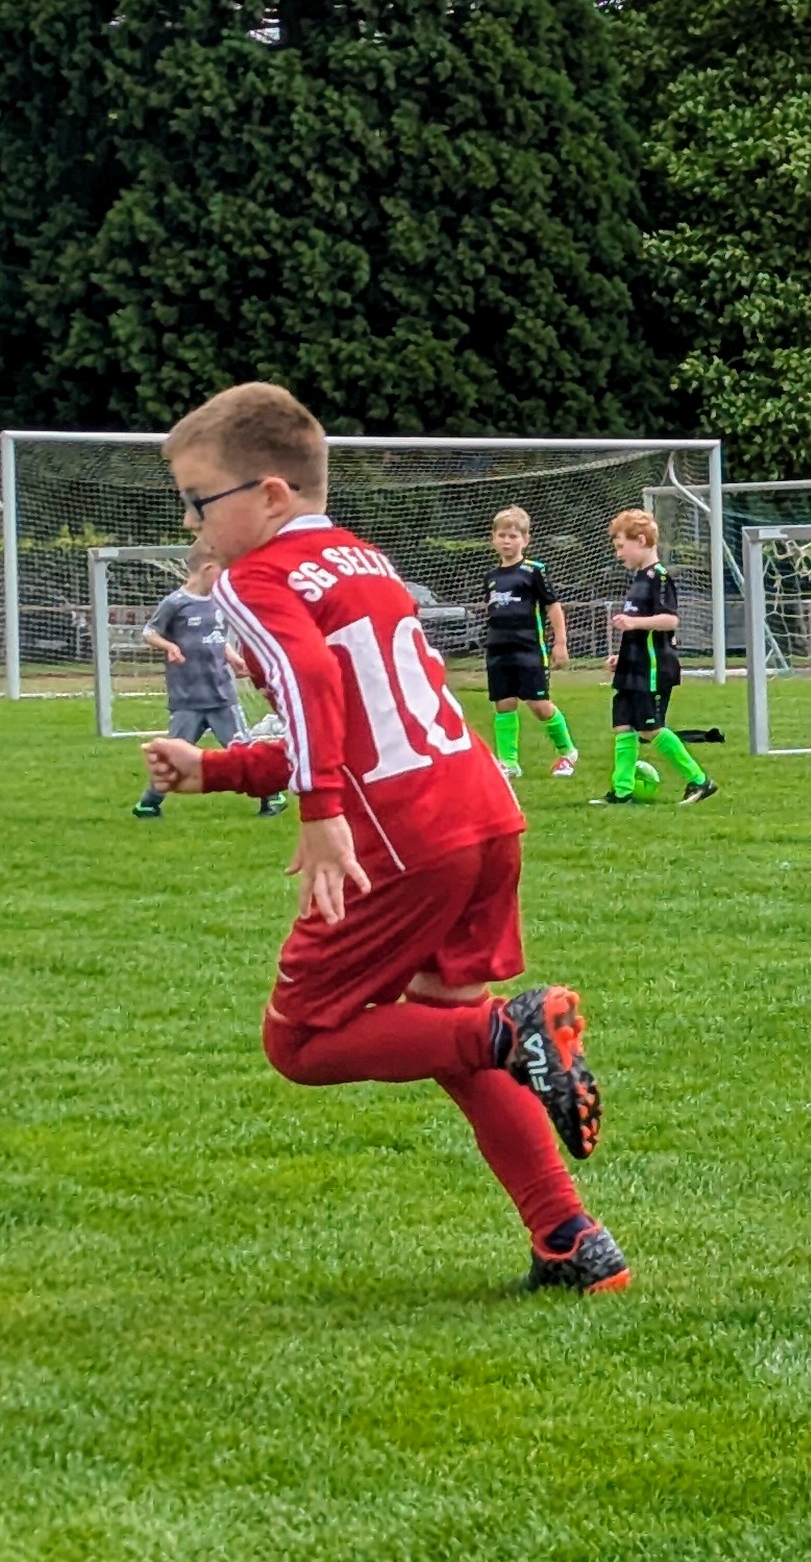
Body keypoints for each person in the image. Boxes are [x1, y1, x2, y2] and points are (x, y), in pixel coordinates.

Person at [137, 382, 626, 1293]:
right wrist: (221, 771)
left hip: (403, 836)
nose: (193, 523)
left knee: (301, 1041)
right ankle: (571, 1238)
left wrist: (320, 813)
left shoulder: (255, 576)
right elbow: (357, 720)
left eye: (201, 501)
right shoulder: (362, 557)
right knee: (445, 1028)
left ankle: (513, 1028)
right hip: (481, 813)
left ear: (270, 494)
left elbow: (314, 681)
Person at [131, 558, 283, 820]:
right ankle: (149, 803)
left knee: (242, 749)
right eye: (223, 571)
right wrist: (169, 646)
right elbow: (149, 632)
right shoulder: (175, 603)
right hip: (187, 698)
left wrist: (232, 658)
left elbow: (216, 638)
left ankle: (271, 796)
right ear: (207, 568)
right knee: (173, 755)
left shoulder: (218, 602)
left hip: (221, 696)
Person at [591, 509, 715, 806]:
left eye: (621, 546)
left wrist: (633, 623)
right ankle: (622, 792)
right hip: (633, 667)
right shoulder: (638, 580)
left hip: (653, 668)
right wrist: (622, 657)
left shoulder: (659, 578)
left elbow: (670, 620)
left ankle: (699, 780)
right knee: (623, 726)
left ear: (641, 540)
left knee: (649, 728)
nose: (618, 554)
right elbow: (640, 630)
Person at [480, 506, 579, 780]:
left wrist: (560, 642)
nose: (507, 541)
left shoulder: (534, 571)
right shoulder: (491, 578)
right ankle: (508, 762)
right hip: (498, 650)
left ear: (525, 540)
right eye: (502, 535)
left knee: (538, 704)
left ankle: (567, 751)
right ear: (493, 539)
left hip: (528, 649)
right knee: (503, 703)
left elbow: (553, 606)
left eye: (513, 536)